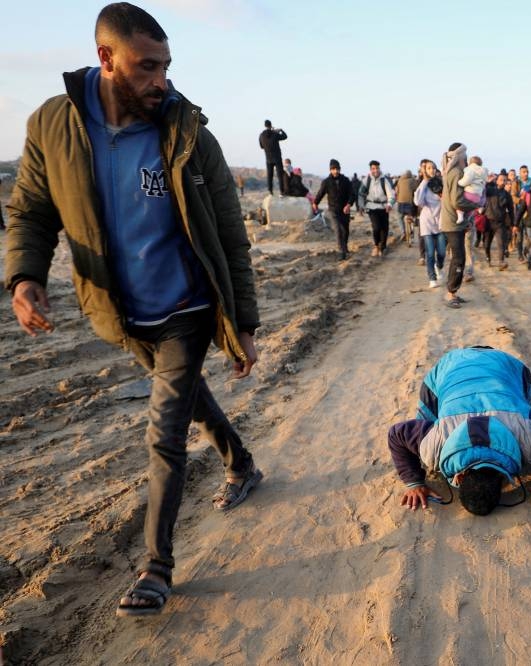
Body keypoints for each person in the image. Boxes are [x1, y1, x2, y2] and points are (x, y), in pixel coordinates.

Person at [5, 2, 262, 618]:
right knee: (189, 398)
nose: (161, 81)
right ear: (106, 59)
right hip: (120, 312)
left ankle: (156, 568)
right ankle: (243, 464)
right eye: (147, 68)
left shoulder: (185, 131)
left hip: (188, 305)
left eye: (167, 66)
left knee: (164, 430)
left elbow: (229, 230)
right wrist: (24, 277)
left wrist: (244, 323)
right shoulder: (54, 125)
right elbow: (33, 209)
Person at [387, 347, 531, 515]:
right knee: (426, 421)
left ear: (459, 477)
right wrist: (413, 482)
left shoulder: (530, 438)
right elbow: (396, 434)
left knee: (523, 409)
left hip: (500, 364)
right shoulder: (434, 444)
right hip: (464, 365)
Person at [440, 142, 471, 308]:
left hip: (452, 221)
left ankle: (453, 291)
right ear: (460, 156)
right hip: (452, 222)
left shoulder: (450, 171)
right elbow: (457, 201)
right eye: (465, 154)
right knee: (458, 258)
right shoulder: (457, 172)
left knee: (458, 257)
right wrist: (474, 204)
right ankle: (450, 292)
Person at [313, 159, 355, 260]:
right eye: (333, 169)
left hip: (345, 210)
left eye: (337, 169)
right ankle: (341, 251)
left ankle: (344, 247)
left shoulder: (345, 180)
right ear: (330, 170)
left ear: (340, 169)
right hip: (333, 210)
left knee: (345, 230)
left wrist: (349, 204)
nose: (335, 171)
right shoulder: (326, 182)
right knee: (338, 230)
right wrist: (315, 203)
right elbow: (320, 193)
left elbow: (352, 194)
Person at [414, 161, 446, 288]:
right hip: (427, 222)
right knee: (430, 252)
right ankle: (432, 278)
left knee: (442, 252)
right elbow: (418, 202)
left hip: (441, 222)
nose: (432, 170)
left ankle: (439, 266)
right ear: (424, 170)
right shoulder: (422, 185)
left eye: (433, 167)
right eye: (429, 168)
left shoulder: (440, 182)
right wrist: (424, 181)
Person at [358, 160, 395, 257]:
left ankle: (382, 247)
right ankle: (376, 246)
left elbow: (391, 194)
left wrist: (390, 204)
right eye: (373, 169)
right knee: (376, 227)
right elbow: (361, 194)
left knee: (384, 228)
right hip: (371, 206)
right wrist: (361, 206)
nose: (376, 171)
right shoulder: (366, 180)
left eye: (377, 168)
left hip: (384, 207)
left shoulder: (384, 180)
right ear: (370, 169)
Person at [483, 172, 515, 270]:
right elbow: (482, 190)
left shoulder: (507, 195)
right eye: (501, 179)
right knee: (487, 243)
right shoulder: (490, 190)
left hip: (500, 223)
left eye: (505, 180)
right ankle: (488, 258)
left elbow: (511, 210)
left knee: (501, 243)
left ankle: (501, 262)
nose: (503, 182)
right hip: (488, 221)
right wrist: (487, 182)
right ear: (497, 181)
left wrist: (513, 224)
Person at [259, 119, 287, 195]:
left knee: (269, 175)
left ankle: (270, 191)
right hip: (277, 157)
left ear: (265, 126)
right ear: (271, 125)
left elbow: (261, 146)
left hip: (268, 158)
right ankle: (282, 191)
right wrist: (280, 130)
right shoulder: (274, 134)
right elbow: (285, 136)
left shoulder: (261, 135)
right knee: (280, 175)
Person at [395, 169, 418, 245]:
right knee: (412, 216)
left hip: (400, 202)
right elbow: (416, 189)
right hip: (409, 202)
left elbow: (397, 191)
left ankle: (403, 232)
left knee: (399, 217)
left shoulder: (400, 180)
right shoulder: (413, 180)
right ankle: (411, 230)